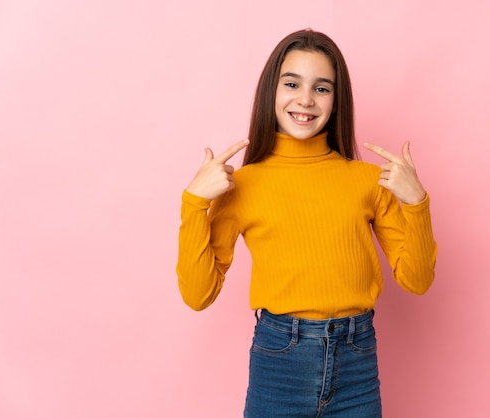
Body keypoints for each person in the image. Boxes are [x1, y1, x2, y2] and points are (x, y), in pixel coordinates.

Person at [177, 29, 437, 418]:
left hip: (357, 362)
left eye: (322, 88)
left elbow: (418, 280)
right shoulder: (244, 184)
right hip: (280, 362)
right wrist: (194, 203)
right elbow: (198, 295)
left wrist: (416, 202)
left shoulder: (367, 180)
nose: (305, 99)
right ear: (272, 91)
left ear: (337, 100)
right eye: (292, 83)